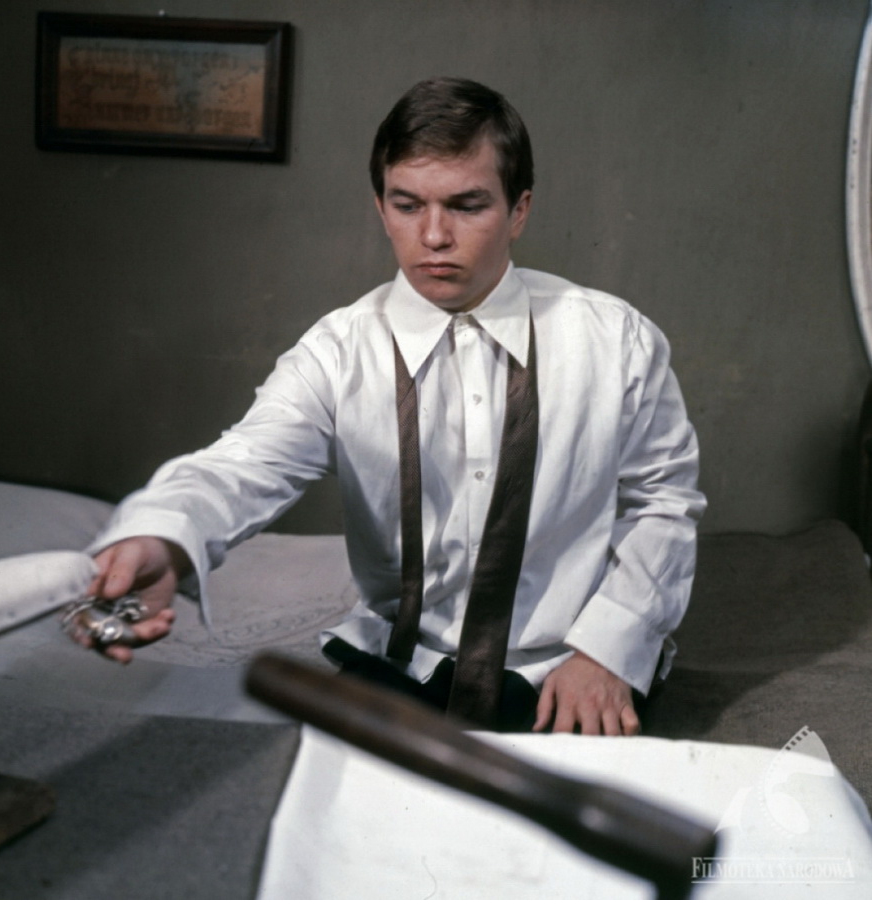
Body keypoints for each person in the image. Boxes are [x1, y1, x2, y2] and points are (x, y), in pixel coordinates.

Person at [75, 77, 705, 736]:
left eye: (466, 205)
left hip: (568, 666)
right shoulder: (338, 352)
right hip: (401, 664)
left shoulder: (616, 340)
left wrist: (606, 652)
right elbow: (244, 463)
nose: (433, 235)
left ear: (518, 210)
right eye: (407, 205)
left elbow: (662, 502)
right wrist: (162, 534)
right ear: (381, 208)